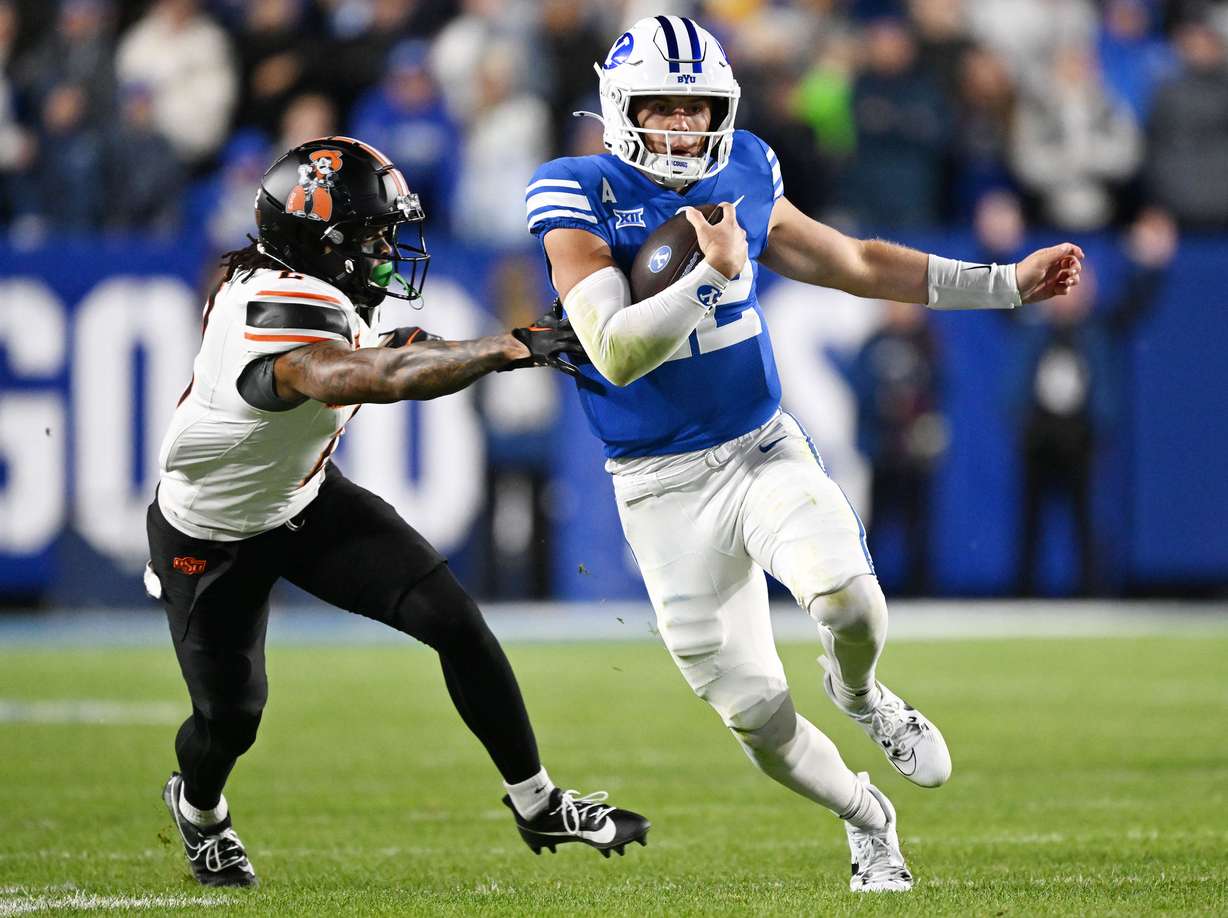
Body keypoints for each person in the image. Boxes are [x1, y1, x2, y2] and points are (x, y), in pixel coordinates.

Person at [527, 16, 1083, 893]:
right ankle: (869, 819)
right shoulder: (575, 188)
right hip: (660, 487)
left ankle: (862, 694)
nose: (681, 127)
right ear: (620, 106)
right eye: (662, 109)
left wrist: (1003, 284)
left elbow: (855, 260)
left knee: (852, 603)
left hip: (757, 446)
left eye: (695, 107)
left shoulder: (744, 164)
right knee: (755, 717)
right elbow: (615, 350)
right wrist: (710, 274)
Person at [147, 136, 648, 889]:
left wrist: (482, 345)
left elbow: (385, 348)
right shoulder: (271, 311)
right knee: (231, 719)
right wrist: (505, 349)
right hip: (212, 536)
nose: (386, 251)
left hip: (304, 500)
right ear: (319, 242)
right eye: (371, 237)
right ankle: (201, 809)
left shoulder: (301, 286)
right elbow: (366, 373)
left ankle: (537, 801)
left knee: (454, 620)